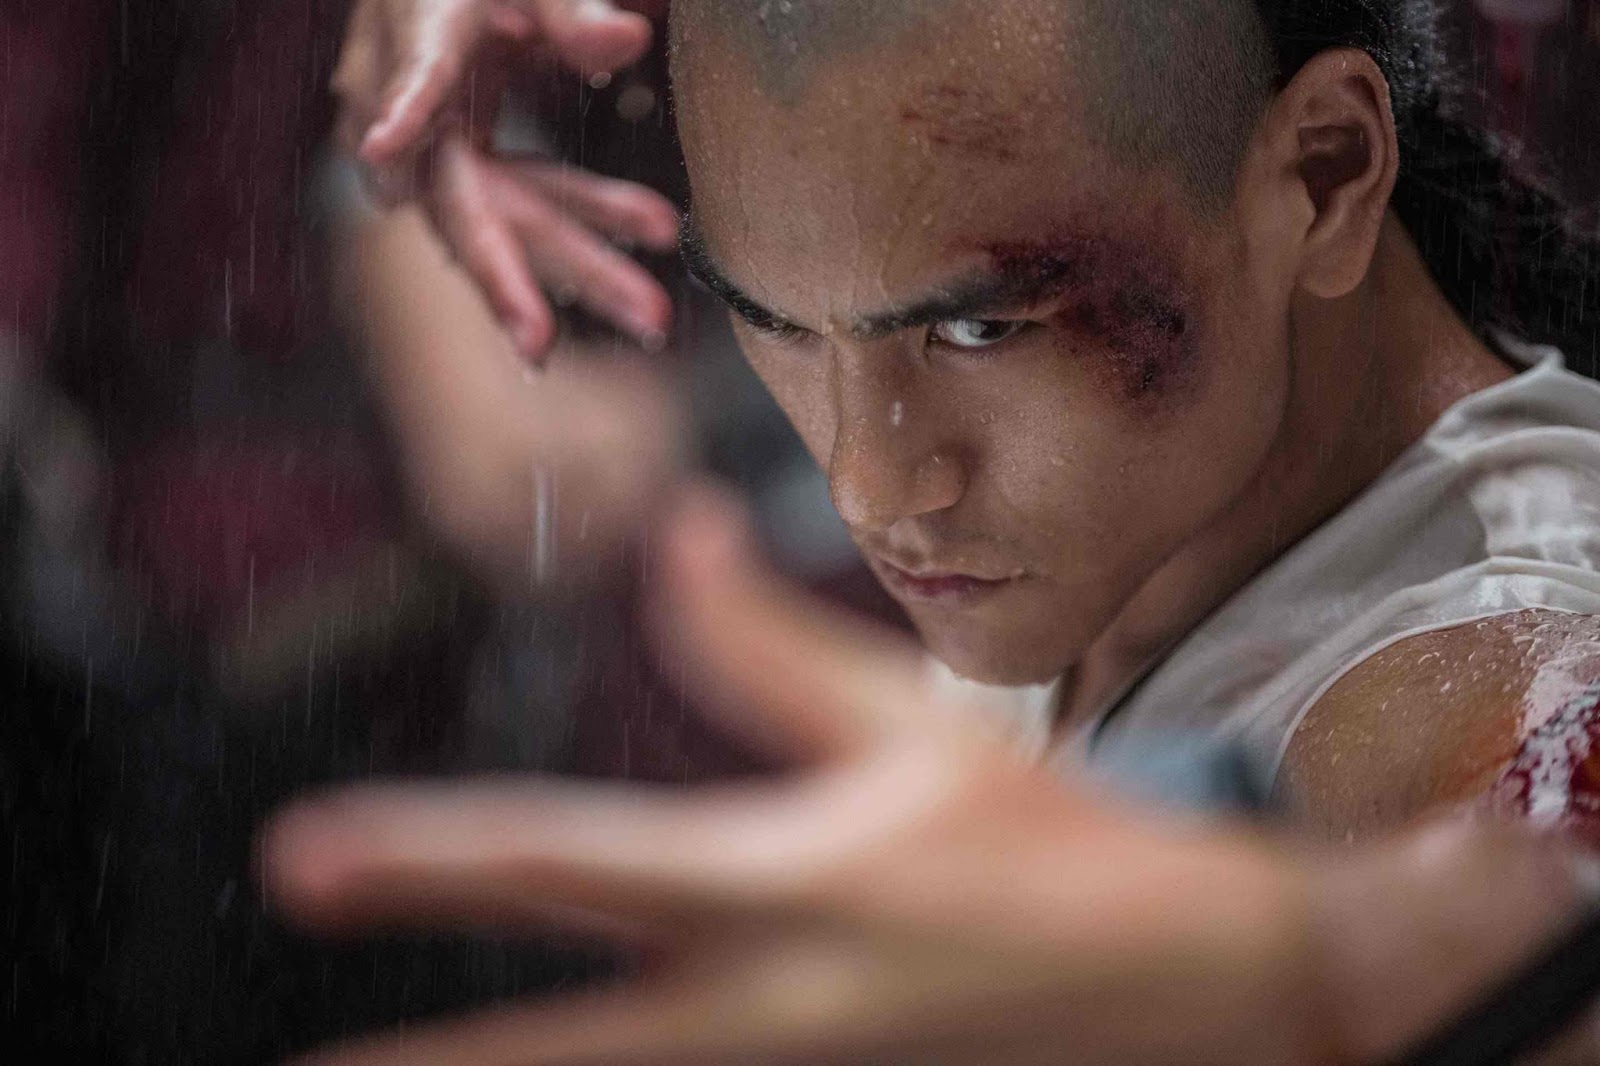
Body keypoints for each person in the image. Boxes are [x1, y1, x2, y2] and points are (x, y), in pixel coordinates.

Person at [261, 0, 1600, 1061]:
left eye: (979, 327)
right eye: (773, 323)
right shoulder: (1150, 522)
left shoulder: (1502, 670)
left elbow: (1535, 830)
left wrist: (1344, 976)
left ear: (1324, 174)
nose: (868, 484)